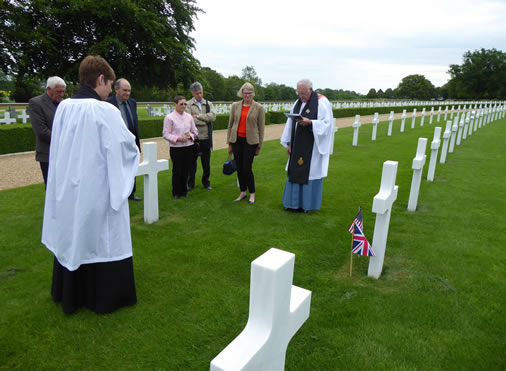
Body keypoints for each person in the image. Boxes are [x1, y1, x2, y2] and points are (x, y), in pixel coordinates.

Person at [42, 55, 140, 314]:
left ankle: (71, 292)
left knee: (74, 233)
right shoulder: (105, 110)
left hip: (70, 186)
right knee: (101, 236)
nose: (110, 90)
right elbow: (125, 147)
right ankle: (103, 296)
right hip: (97, 187)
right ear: (100, 80)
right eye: (109, 84)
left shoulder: (64, 107)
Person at [280, 79, 333, 212]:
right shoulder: (298, 103)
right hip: (297, 145)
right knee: (295, 171)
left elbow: (327, 124)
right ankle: (292, 204)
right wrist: (289, 143)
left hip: (312, 148)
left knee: (309, 173)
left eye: (303, 93)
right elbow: (290, 124)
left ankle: (306, 205)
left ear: (311, 90)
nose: (301, 96)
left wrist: (311, 123)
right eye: (298, 93)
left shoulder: (322, 102)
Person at [226, 82, 265, 204]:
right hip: (237, 140)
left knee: (247, 168)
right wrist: (229, 143)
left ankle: (252, 193)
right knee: (239, 169)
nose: (247, 95)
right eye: (245, 93)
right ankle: (243, 192)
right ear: (241, 93)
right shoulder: (235, 106)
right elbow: (230, 124)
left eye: (250, 93)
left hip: (251, 141)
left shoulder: (259, 107)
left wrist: (259, 146)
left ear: (253, 93)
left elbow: (261, 128)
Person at [106, 78, 142, 201]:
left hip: (131, 142)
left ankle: (131, 193)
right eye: (125, 90)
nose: (127, 93)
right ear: (116, 89)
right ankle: (119, 194)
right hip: (117, 143)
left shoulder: (132, 102)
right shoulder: (108, 103)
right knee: (118, 169)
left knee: (132, 168)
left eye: (129, 91)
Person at [27, 76, 66, 188]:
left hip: (64, 153)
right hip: (47, 153)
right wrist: (64, 140)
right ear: (49, 89)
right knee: (51, 187)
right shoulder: (36, 103)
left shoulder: (64, 103)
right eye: (58, 91)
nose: (62, 94)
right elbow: (41, 131)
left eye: (63, 91)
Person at [163, 96, 198, 199]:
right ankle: (176, 192)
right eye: (181, 104)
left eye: (185, 104)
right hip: (176, 148)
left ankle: (184, 191)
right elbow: (165, 134)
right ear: (175, 105)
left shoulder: (189, 117)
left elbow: (195, 131)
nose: (183, 106)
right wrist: (178, 138)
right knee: (177, 170)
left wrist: (190, 136)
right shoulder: (169, 118)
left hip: (188, 146)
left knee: (186, 169)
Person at [186, 82, 216, 191]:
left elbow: (213, 117)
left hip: (206, 138)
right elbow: (189, 120)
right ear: (192, 93)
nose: (200, 95)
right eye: (197, 93)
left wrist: (198, 116)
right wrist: (205, 120)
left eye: (201, 92)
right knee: (191, 164)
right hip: (194, 139)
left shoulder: (209, 104)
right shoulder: (188, 105)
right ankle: (190, 184)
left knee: (206, 163)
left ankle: (206, 182)